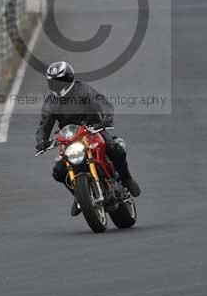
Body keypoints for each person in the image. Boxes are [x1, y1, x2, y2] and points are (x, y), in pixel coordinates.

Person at [36, 61, 141, 216]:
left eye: (59, 81)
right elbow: (45, 123)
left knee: (114, 148)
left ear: (68, 79)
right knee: (59, 171)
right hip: (70, 138)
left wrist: (106, 119)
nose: (56, 85)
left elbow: (103, 104)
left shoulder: (83, 90)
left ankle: (127, 179)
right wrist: (41, 141)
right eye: (52, 82)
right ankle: (80, 196)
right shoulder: (51, 101)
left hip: (94, 129)